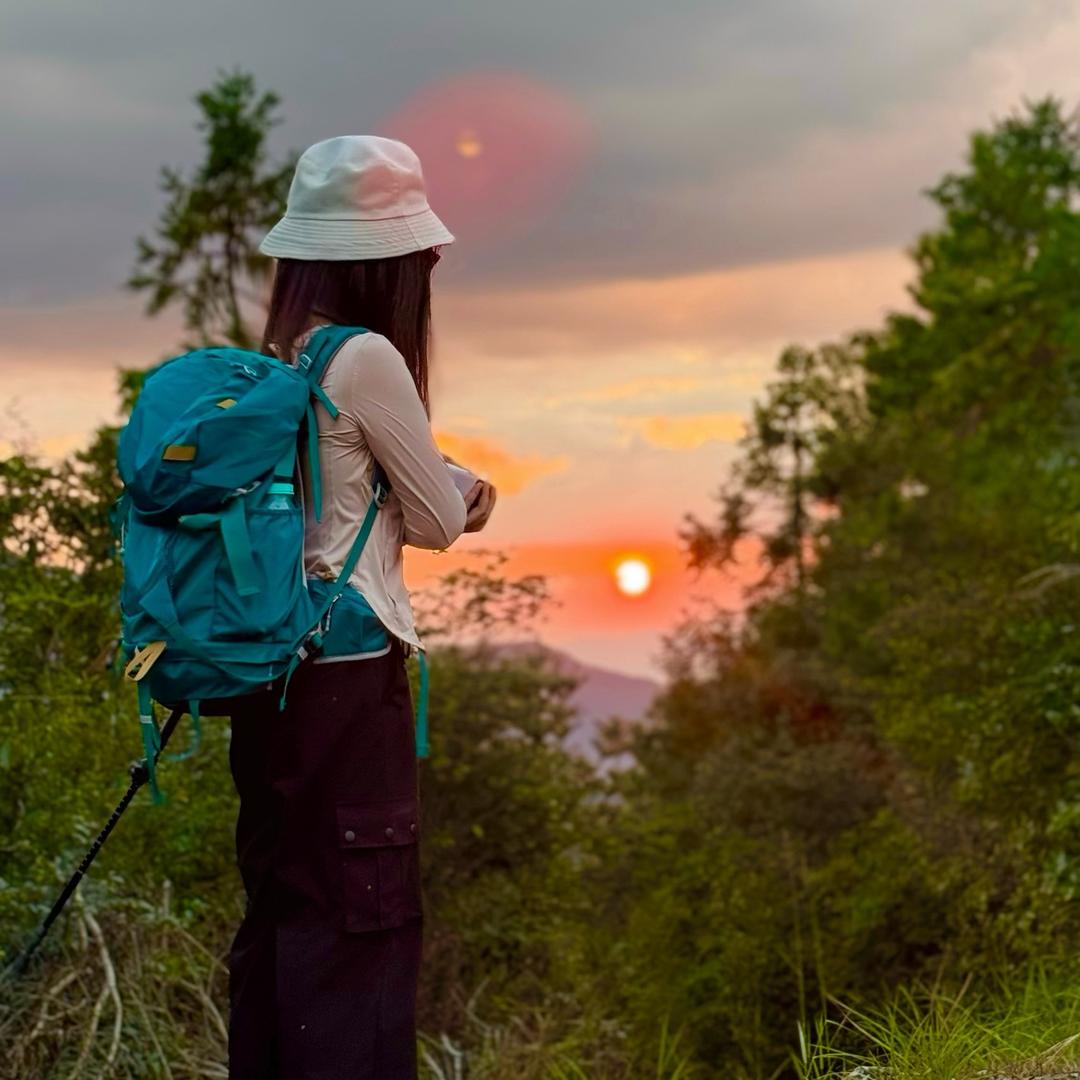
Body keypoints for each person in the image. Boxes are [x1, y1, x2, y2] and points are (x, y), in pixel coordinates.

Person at [223, 134, 496, 1080]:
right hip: (349, 684)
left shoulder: (280, 353)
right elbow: (435, 519)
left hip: (269, 685)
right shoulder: (368, 356)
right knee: (362, 929)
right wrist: (472, 486)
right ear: (392, 262)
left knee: (284, 920)